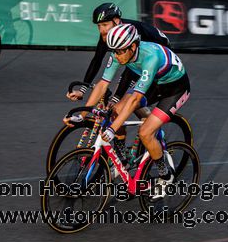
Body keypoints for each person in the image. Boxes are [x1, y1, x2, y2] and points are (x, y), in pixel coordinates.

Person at [66, 24, 190, 199]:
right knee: (115, 110)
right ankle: (123, 159)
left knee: (145, 132)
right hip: (154, 83)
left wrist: (112, 129)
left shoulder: (151, 57)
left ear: (133, 46)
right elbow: (102, 84)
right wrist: (83, 115)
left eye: (120, 52)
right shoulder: (120, 50)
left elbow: (134, 100)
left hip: (175, 89)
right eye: (114, 52)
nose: (116, 56)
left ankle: (165, 175)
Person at [66, 2, 170, 103]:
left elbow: (130, 70)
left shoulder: (130, 32)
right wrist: (82, 90)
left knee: (128, 98)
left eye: (105, 24)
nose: (101, 30)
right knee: (123, 98)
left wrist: (116, 98)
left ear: (116, 20)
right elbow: (97, 60)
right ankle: (143, 116)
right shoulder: (109, 32)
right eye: (99, 26)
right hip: (142, 53)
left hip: (161, 52)